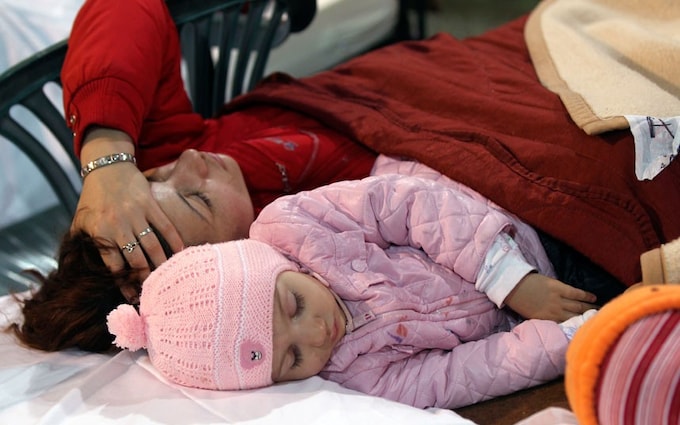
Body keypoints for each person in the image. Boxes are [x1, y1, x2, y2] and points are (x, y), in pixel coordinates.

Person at [9, 0, 606, 354]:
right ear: (231, 262)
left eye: (160, 173)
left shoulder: (171, 156)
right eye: (193, 196)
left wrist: (110, 159)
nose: (191, 160)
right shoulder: (321, 268)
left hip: (425, 76)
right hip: (492, 130)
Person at [107, 169, 600, 409]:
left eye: (294, 305)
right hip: (540, 310)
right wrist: (573, 340)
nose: (318, 332)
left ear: (269, 264)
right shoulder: (359, 381)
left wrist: (509, 280)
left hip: (499, 220)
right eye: (294, 358)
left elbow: (411, 205)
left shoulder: (294, 227)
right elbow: (468, 373)